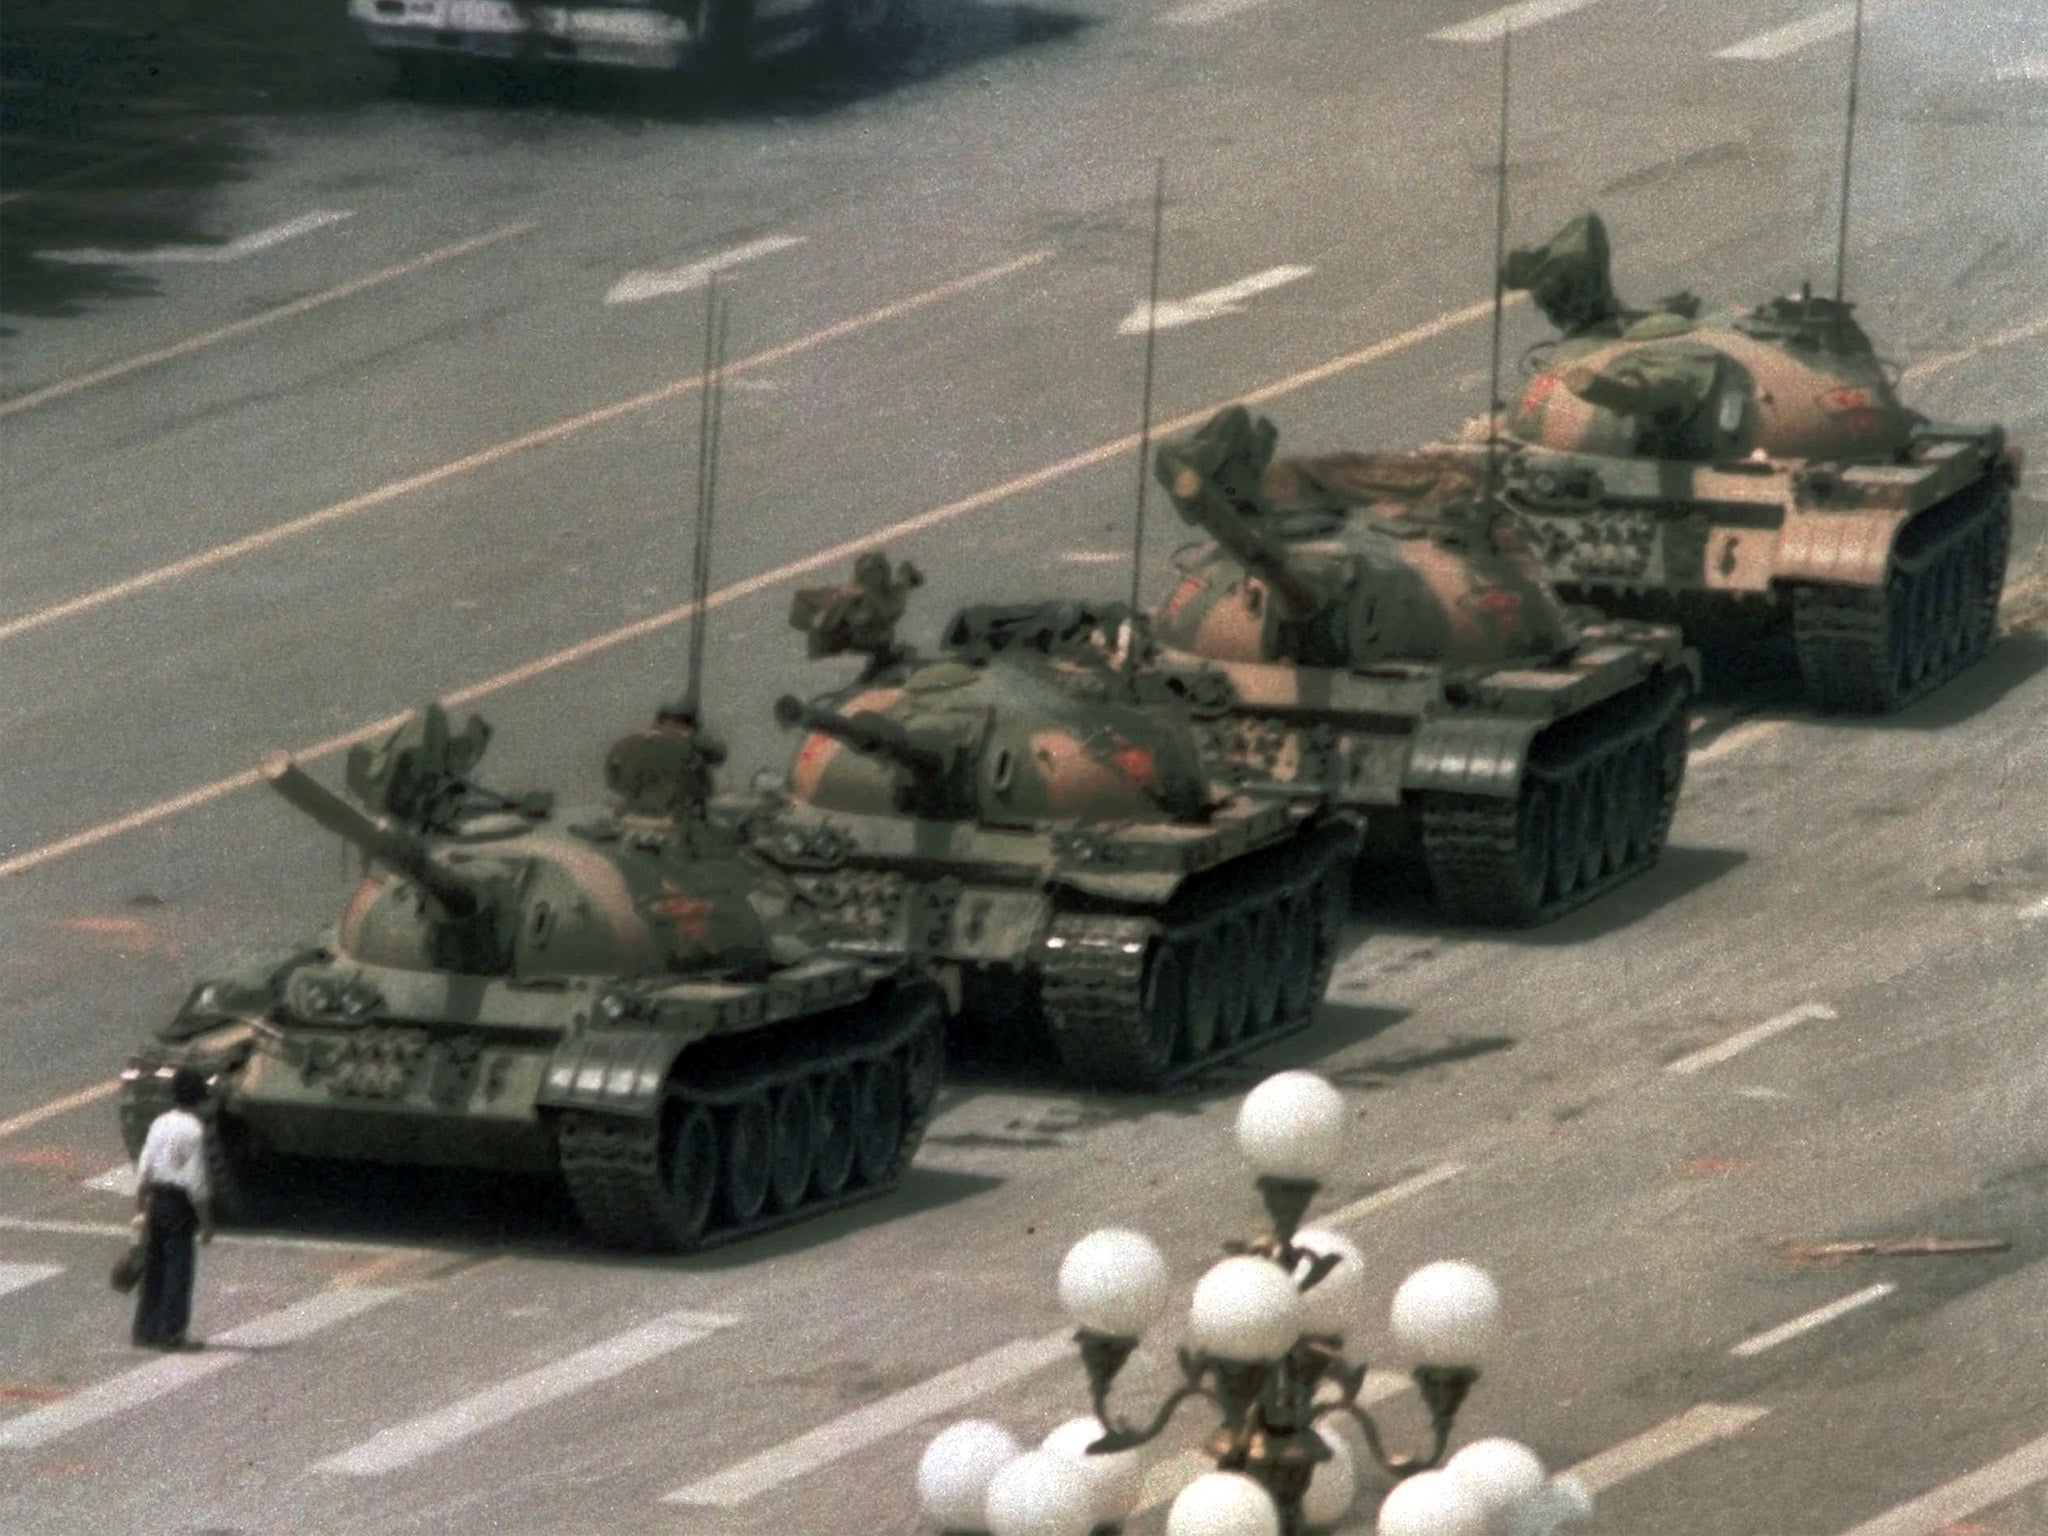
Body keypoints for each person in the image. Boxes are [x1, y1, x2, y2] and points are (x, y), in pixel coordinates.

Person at [131, 1067, 215, 1350]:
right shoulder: (193, 1130)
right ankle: (171, 1332)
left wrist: (140, 1205)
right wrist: (205, 1222)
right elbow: (197, 1182)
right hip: (179, 1204)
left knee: (154, 1266)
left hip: (156, 1199)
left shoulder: (159, 1122)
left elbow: (145, 1166)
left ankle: (145, 1329)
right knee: (179, 1267)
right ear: (199, 1098)